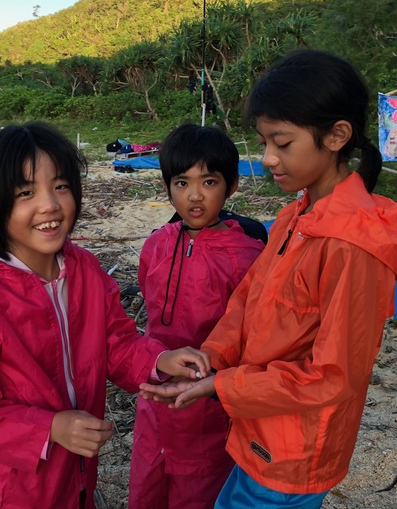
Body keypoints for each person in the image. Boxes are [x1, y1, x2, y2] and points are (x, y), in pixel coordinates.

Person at [140, 49, 397, 509]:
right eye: (264, 142)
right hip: (258, 431)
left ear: (337, 136)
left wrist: (222, 387)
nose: (268, 158)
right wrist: (209, 359)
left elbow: (332, 376)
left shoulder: (352, 245)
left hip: (295, 452)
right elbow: (247, 303)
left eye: (282, 143)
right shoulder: (294, 218)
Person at [0, 121, 211, 509]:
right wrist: (50, 427)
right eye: (26, 192)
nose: (50, 205)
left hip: (74, 474)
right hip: (9, 488)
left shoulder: (85, 271)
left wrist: (159, 360)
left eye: (61, 187)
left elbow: (116, 343)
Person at [129, 123, 265, 509]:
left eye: (209, 182)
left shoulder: (246, 256)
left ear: (232, 186)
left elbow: (250, 335)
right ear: (167, 187)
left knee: (199, 491)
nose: (194, 196)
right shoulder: (156, 245)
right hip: (154, 396)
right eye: (182, 182)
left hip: (208, 405)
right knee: (146, 487)